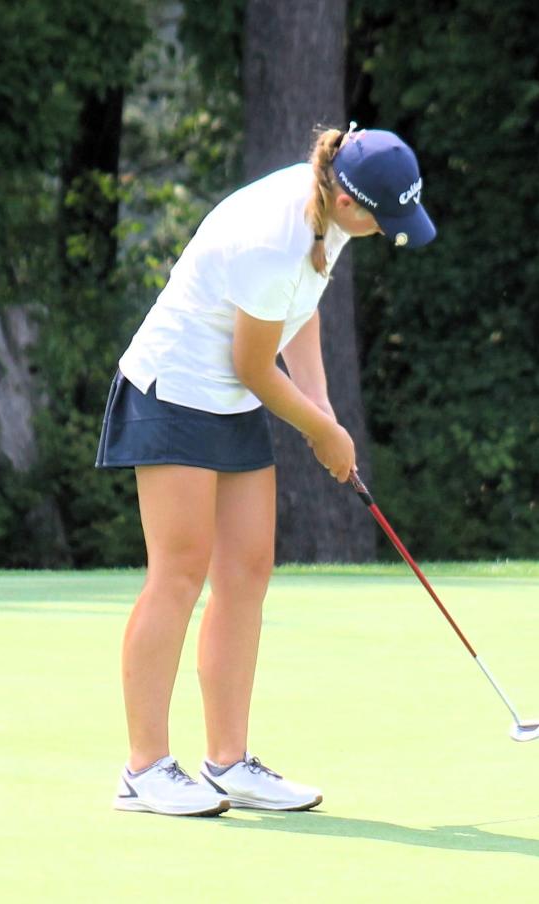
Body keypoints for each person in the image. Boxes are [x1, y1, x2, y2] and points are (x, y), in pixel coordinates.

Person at [96, 124, 436, 817]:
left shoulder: (331, 221)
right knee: (181, 571)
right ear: (347, 200)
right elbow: (252, 364)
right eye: (381, 216)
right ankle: (145, 768)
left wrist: (324, 409)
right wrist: (319, 429)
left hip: (229, 396)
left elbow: (296, 314)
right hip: (174, 389)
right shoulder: (273, 234)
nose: (384, 228)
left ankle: (227, 762)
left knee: (247, 570)